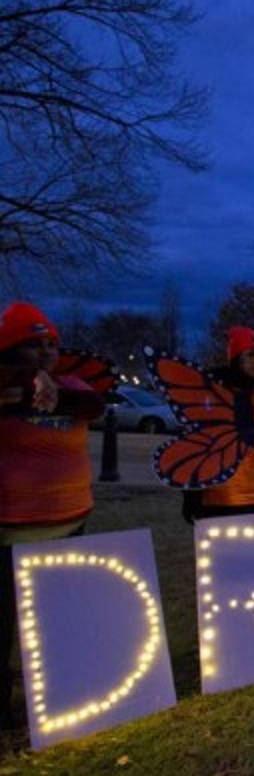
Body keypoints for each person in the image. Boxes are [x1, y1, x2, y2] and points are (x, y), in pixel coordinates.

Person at [0, 303, 105, 726]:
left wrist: (54, 390)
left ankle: (64, 691)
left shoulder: (71, 386)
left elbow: (93, 404)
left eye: (51, 345)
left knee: (59, 617)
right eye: (32, 346)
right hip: (11, 525)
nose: (45, 353)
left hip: (70, 519)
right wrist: (23, 387)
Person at [181, 327, 254, 521]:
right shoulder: (213, 394)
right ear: (236, 358)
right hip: (226, 498)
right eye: (251, 354)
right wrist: (192, 495)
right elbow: (195, 446)